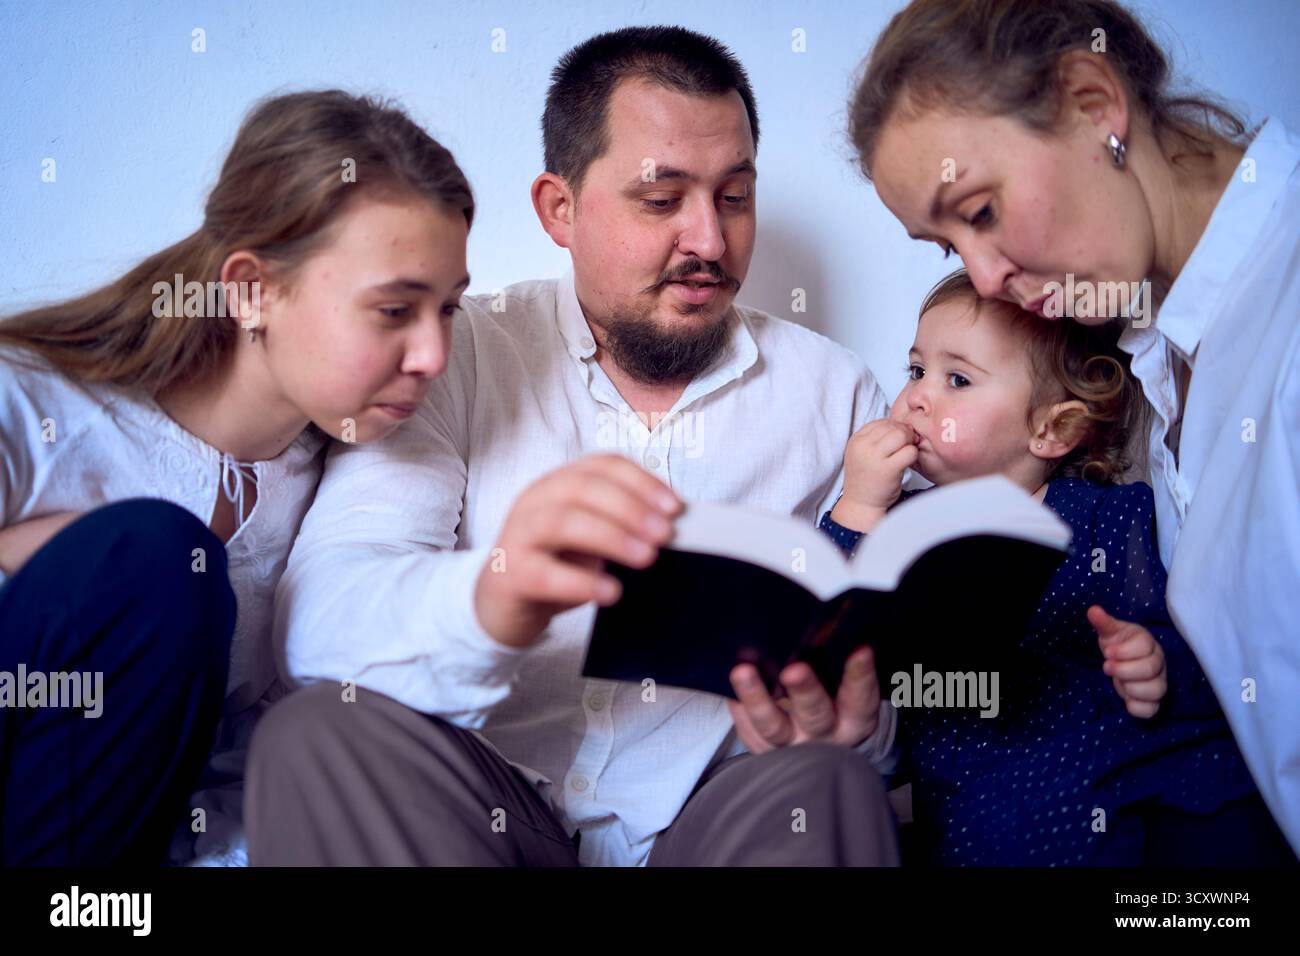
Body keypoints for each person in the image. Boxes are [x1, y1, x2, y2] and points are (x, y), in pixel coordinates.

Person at [246, 26, 900, 867]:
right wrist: (495, 592)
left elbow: (892, 684)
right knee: (320, 734)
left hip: (714, 829)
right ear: (560, 209)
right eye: (662, 200)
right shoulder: (452, 355)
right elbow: (321, 621)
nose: (708, 240)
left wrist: (857, 729)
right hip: (484, 821)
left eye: (734, 197)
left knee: (831, 784)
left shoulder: (838, 391)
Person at [848, 0, 1300, 853]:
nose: (984, 277)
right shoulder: (1164, 353)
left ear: (1095, 105)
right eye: (947, 249)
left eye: (979, 210)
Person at [0, 89, 474, 865]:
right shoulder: (28, 409)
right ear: (252, 289)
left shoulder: (356, 483)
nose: (434, 357)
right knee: (154, 561)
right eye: (394, 311)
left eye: (449, 310)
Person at [819, 270, 1289, 865]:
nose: (916, 395)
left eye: (956, 379)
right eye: (916, 370)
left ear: (1051, 429)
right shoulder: (896, 530)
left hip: (1122, 763)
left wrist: (1154, 661)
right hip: (988, 797)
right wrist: (858, 505)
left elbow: (1192, 643)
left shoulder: (1105, 519)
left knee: (1227, 819)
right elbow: (829, 623)